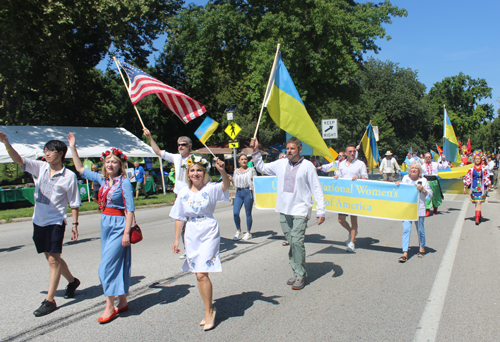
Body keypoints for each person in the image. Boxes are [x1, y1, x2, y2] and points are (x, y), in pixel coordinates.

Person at [0, 132, 81, 317]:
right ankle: (72, 281)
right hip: (39, 221)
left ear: (60, 153)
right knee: (53, 258)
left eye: (50, 150)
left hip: (55, 222)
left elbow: (74, 202)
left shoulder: (69, 176)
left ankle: (50, 301)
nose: (47, 154)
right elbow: (18, 160)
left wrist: (75, 224)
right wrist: (6, 142)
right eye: (45, 150)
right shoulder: (40, 167)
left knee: (53, 260)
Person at [67, 133, 134, 324]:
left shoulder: (125, 183)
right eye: (108, 162)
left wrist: (126, 233)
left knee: (105, 267)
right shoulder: (102, 180)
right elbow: (80, 168)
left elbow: (130, 210)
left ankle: (108, 306)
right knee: (114, 263)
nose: (110, 165)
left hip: (120, 225)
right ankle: (122, 301)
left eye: (114, 162)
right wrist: (73, 147)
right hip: (105, 223)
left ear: (120, 165)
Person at [250, 136, 325, 290]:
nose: (289, 151)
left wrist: (321, 210)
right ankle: (296, 270)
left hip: (300, 209)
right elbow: (261, 167)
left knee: (297, 241)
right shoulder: (281, 163)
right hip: (284, 209)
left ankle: (300, 274)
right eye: (288, 148)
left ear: (299, 149)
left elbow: (316, 188)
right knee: (292, 242)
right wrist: (256, 150)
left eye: (292, 148)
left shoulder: (308, 166)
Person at [170, 155, 230, 331]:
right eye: (192, 170)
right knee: (198, 274)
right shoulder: (183, 193)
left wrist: (222, 171)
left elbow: (225, 185)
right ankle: (208, 307)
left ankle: (208, 311)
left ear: (204, 173)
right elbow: (179, 217)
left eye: (199, 170)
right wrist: (175, 239)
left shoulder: (211, 188)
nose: (195, 173)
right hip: (191, 232)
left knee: (202, 273)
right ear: (188, 174)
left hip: (208, 230)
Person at [143, 128, 191, 258]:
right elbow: (158, 151)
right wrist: (150, 137)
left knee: (192, 223)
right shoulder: (175, 157)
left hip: (191, 195)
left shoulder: (195, 159)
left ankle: (195, 247)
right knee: (181, 222)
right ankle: (187, 249)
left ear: (189, 146)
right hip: (179, 195)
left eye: (183, 144)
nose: (180, 147)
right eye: (179, 144)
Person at [396, 161, 432, 262]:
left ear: (419, 170)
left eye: (416, 168)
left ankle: (422, 247)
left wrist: (423, 189)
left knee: (420, 229)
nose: (413, 169)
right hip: (407, 209)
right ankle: (405, 252)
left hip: (419, 209)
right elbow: (401, 192)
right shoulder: (405, 179)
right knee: (406, 229)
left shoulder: (424, 180)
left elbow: (429, 195)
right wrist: (398, 185)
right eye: (412, 168)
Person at [334, 143, 368, 252]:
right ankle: (351, 231)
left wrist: (358, 178)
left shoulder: (360, 164)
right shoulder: (341, 164)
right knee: (341, 220)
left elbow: (365, 178)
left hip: (355, 195)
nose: (352, 153)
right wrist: (336, 177)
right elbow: (338, 175)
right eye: (350, 152)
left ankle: (352, 243)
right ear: (345, 153)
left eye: (354, 151)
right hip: (343, 195)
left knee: (353, 219)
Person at [228, 154, 256, 241]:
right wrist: (231, 179)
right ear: (239, 161)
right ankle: (239, 231)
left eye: (245, 159)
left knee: (248, 213)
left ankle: (248, 232)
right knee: (235, 213)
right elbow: (234, 183)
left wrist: (253, 179)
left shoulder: (251, 170)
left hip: (248, 192)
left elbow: (256, 181)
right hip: (239, 193)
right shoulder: (236, 170)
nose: (244, 161)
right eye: (242, 159)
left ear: (247, 161)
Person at [463, 151, 491, 225]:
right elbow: (468, 177)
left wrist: (488, 186)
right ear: (474, 160)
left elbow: (486, 177)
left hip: (482, 188)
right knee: (477, 202)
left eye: (479, 159)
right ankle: (478, 214)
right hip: (474, 187)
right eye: (476, 159)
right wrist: (465, 186)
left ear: (481, 160)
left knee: (479, 202)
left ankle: (477, 219)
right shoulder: (471, 169)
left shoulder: (484, 169)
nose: (477, 160)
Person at [420, 152, 448, 216]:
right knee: (426, 195)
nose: (428, 158)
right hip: (426, 181)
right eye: (426, 157)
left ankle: (435, 208)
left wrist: (443, 159)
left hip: (434, 180)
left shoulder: (435, 164)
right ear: (424, 158)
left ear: (431, 157)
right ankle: (427, 210)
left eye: (429, 157)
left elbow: (444, 167)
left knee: (435, 195)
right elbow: (421, 174)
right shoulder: (422, 166)